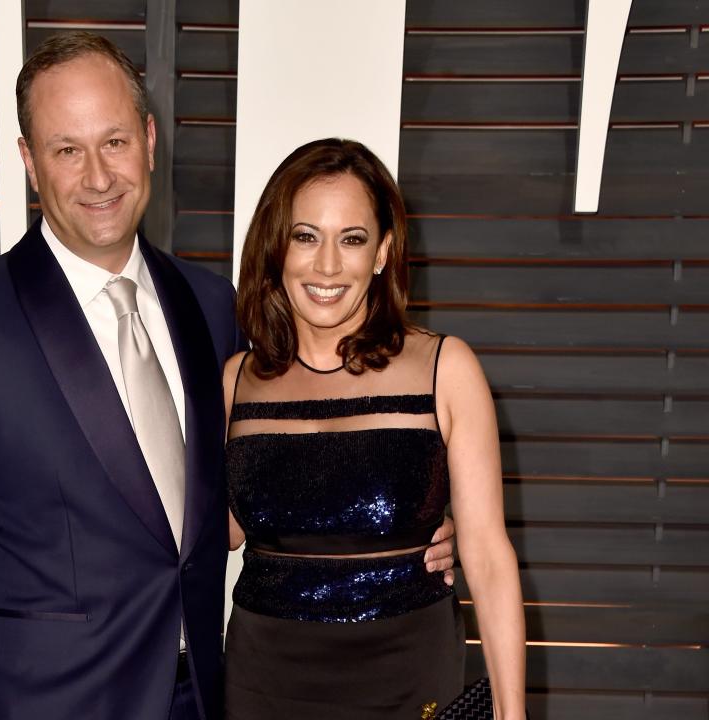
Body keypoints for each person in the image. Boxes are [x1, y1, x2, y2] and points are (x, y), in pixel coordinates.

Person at [0, 32, 455, 720]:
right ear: (31, 163)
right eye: (68, 150)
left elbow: (290, 448)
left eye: (115, 141)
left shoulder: (212, 307)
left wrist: (412, 512)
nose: (99, 176)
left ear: (150, 140)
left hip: (210, 699)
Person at [223, 139, 526, 720]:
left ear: (383, 252)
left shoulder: (445, 368)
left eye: (352, 239)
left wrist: (513, 713)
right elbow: (219, 532)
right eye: (306, 236)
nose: (328, 265)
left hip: (408, 671)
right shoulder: (236, 382)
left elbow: (488, 555)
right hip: (264, 677)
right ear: (275, 247)